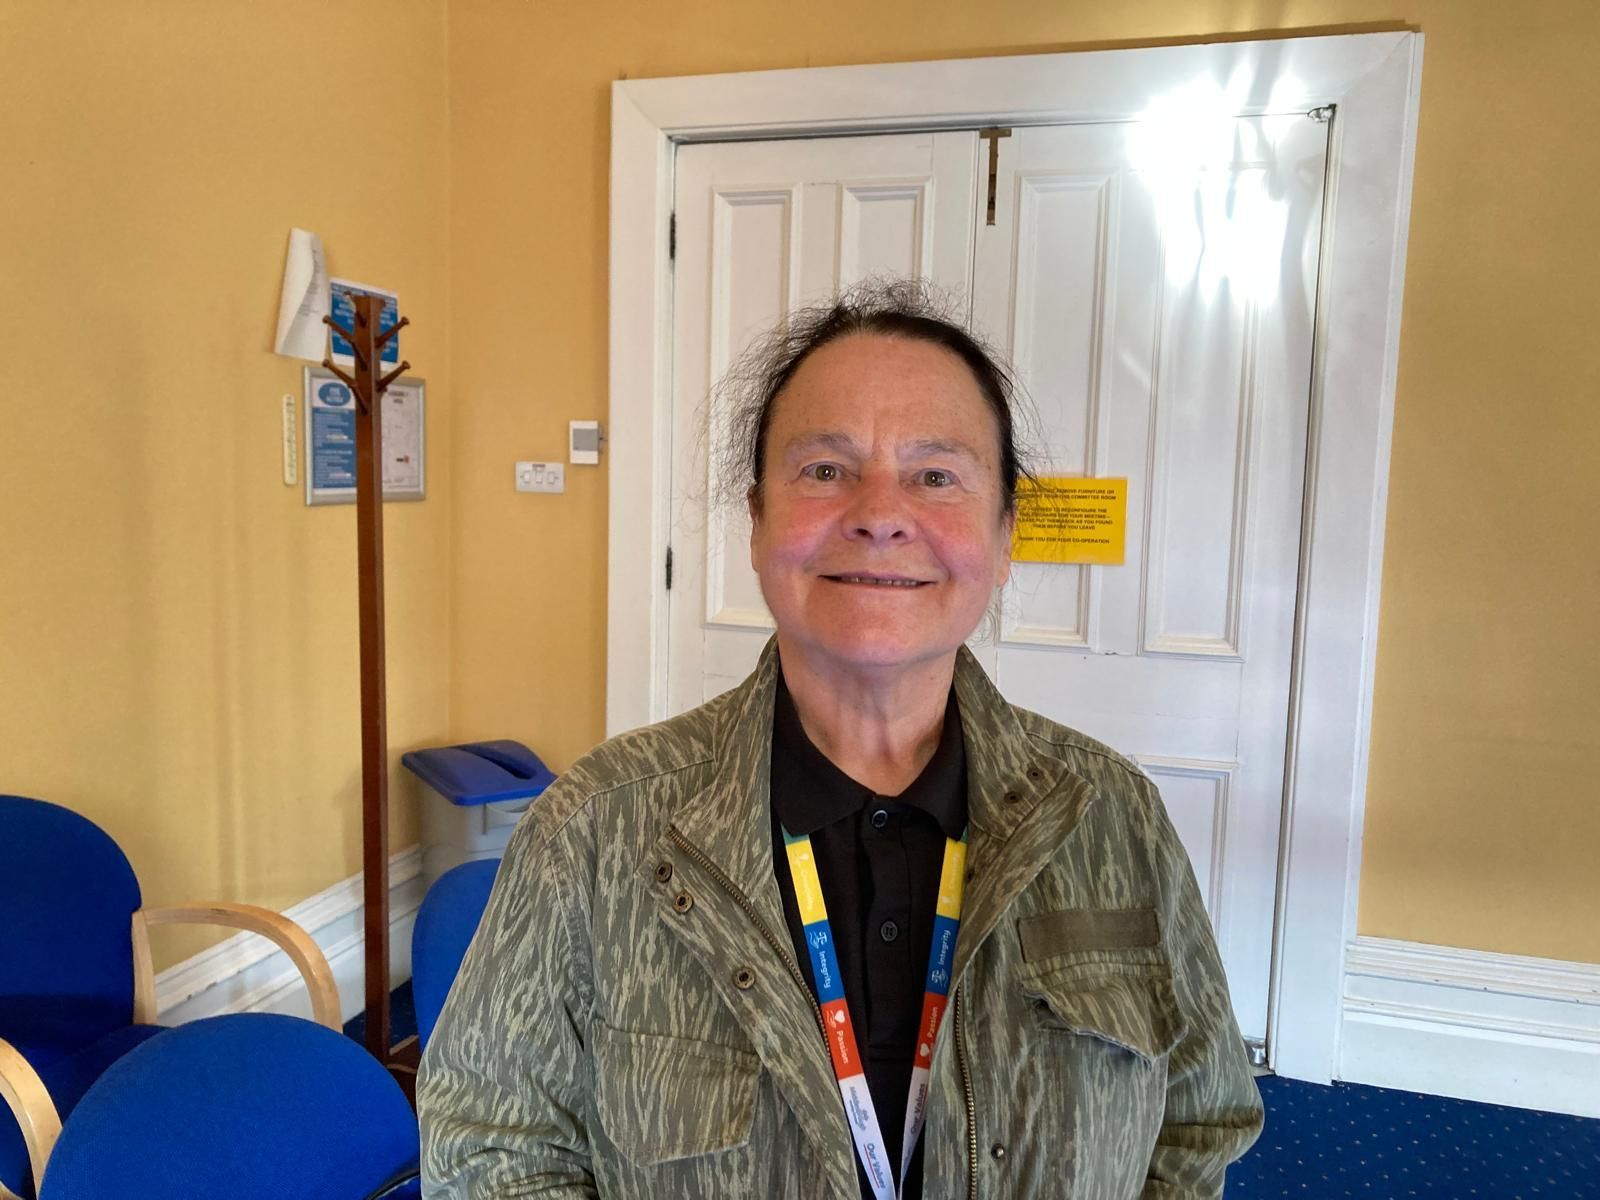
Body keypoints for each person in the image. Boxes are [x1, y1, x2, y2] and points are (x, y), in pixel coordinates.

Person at [418, 280, 1263, 1199]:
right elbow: (493, 1148)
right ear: (757, 522)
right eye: (825, 470)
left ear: (1004, 536)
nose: (879, 512)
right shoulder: (594, 826)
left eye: (935, 476)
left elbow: (1197, 1123)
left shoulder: (1115, 818)